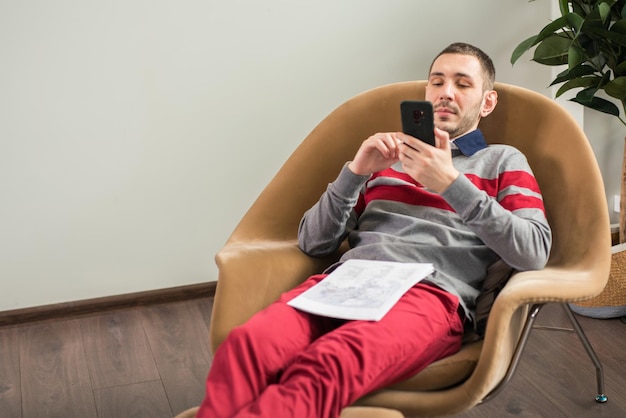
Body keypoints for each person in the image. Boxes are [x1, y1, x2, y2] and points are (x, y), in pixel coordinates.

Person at [196, 42, 552, 418]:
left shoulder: (502, 160)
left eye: (463, 84)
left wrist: (450, 183)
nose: (446, 92)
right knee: (246, 345)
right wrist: (355, 173)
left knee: (327, 365)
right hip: (345, 283)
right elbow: (314, 242)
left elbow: (533, 251)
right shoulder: (388, 160)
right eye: (437, 82)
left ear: (487, 103)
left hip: (430, 296)